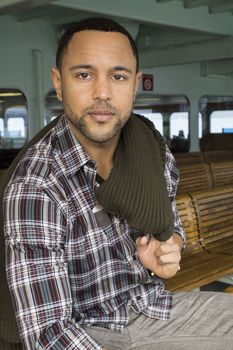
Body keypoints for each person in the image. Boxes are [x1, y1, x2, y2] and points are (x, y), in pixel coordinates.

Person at [3, 17, 233, 350]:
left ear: (135, 83)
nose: (102, 93)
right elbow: (48, 335)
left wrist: (171, 247)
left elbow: (170, 224)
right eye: (84, 75)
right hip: (85, 331)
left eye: (118, 76)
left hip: (149, 309)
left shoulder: (150, 147)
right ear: (58, 81)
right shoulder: (36, 187)